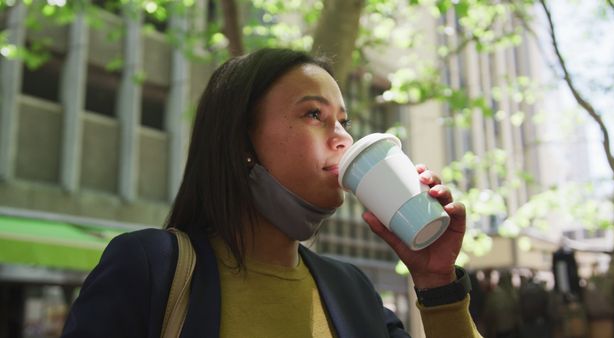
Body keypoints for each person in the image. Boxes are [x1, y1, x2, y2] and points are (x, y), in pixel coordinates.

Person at [61, 48, 481, 337]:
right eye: (314, 114)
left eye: (343, 121)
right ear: (242, 142)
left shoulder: (352, 290)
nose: (342, 139)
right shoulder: (149, 269)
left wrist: (435, 281)